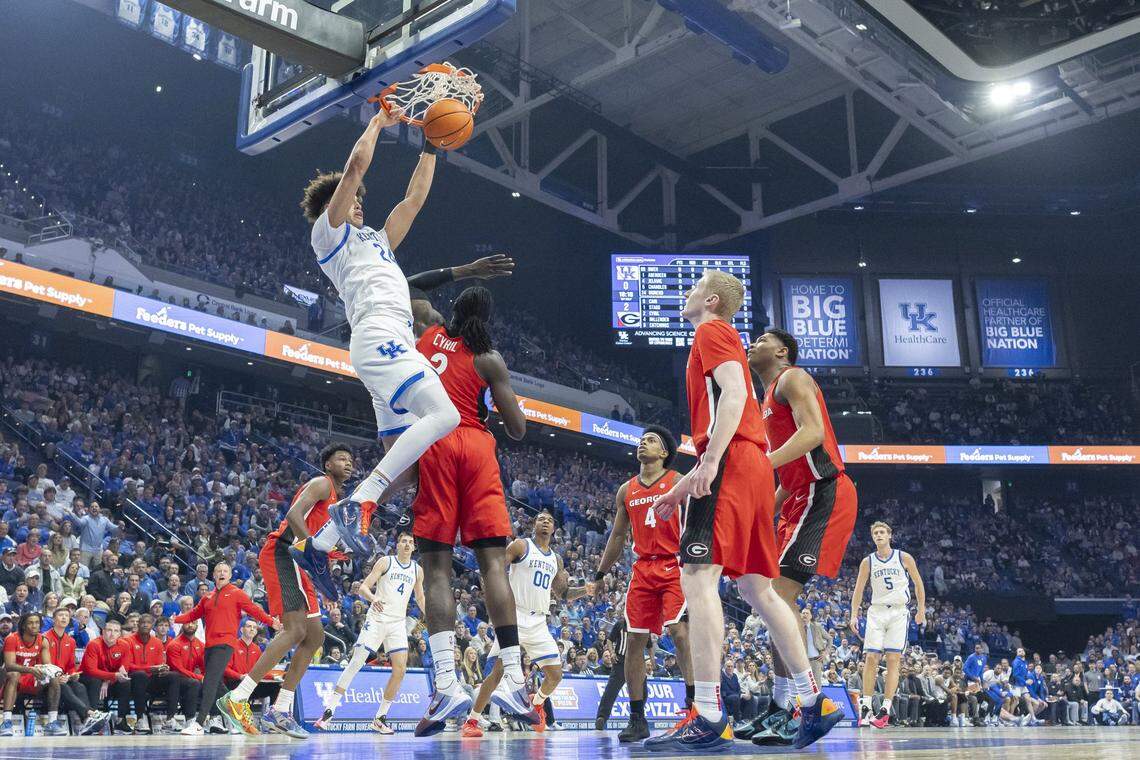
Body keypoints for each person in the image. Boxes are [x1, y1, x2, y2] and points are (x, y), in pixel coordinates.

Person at [647, 270, 841, 753]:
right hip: (752, 465)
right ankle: (814, 701)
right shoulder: (725, 337)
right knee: (758, 588)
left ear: (710, 299)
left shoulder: (711, 330)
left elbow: (733, 394)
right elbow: (730, 408)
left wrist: (710, 462)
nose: (686, 295)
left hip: (733, 458)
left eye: (693, 289)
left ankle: (710, 714)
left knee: (697, 574)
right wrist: (690, 480)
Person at [293, 103, 461, 585]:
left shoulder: (380, 241)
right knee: (444, 415)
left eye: (362, 202)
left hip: (391, 342)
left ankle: (320, 545)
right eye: (352, 201)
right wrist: (376, 124)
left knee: (405, 469)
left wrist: (432, 144)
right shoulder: (328, 235)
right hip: (378, 335)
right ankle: (362, 500)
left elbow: (413, 201)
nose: (360, 204)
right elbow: (354, 169)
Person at [395, 277, 541, 738]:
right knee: (492, 566)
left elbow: (409, 283)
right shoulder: (488, 359)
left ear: (451, 313)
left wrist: (464, 268)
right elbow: (517, 429)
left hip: (434, 439)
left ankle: (445, 685)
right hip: (475, 445)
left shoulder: (430, 333)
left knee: (436, 570)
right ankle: (515, 680)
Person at [738, 329, 858, 744]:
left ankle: (805, 704)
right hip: (797, 496)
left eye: (761, 340)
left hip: (824, 491)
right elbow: (789, 479)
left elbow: (814, 435)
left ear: (782, 351)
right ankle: (781, 706)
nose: (752, 344)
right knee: (768, 596)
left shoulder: (792, 378)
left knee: (776, 594)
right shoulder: (766, 398)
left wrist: (761, 465)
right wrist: (758, 513)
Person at [217, 443, 354, 739]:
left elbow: (318, 541)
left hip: (301, 562)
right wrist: (316, 549)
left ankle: (280, 709)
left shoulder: (337, 499)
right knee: (294, 631)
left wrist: (336, 554)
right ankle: (238, 697)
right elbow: (293, 516)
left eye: (351, 460)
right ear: (328, 464)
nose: (348, 463)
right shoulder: (321, 483)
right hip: (284, 552)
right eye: (341, 458)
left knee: (315, 635)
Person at [592, 426, 694, 742]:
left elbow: (693, 523)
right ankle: (638, 719)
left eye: (651, 440)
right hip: (642, 570)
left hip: (674, 564)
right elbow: (618, 536)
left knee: (678, 632)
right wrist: (600, 572)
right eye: (642, 439)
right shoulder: (626, 490)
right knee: (633, 642)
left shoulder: (677, 481)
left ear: (664, 453)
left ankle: (694, 707)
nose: (643, 443)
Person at [467, 512, 587, 736]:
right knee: (497, 672)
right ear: (534, 524)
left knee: (555, 675)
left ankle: (538, 703)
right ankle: (472, 721)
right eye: (541, 518)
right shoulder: (521, 545)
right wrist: (494, 600)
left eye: (550, 520)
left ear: (554, 529)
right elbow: (494, 571)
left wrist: (587, 590)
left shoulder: (556, 559)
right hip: (515, 615)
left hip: (540, 621)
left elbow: (563, 593)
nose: (545, 522)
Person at [317, 533, 425, 734]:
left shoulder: (418, 570)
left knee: (400, 670)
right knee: (356, 662)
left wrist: (430, 614)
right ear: (397, 544)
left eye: (411, 542)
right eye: (404, 541)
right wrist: (373, 598)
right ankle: (329, 711)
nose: (408, 544)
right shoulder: (386, 561)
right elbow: (363, 588)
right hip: (376, 619)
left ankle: (380, 718)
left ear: (414, 547)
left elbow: (419, 597)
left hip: (397, 623)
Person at [173, 561, 276, 735]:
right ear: (213, 575)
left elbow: (254, 610)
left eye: (225, 571)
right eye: (218, 571)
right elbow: (193, 614)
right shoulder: (206, 597)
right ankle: (239, 713)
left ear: (229, 576)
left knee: (210, 682)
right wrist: (176, 620)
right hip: (209, 646)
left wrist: (272, 622)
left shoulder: (237, 593)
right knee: (217, 684)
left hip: (226, 644)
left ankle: (198, 724)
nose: (221, 573)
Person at [849, 521, 926, 729]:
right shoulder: (868, 561)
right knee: (871, 657)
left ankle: (884, 709)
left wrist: (921, 610)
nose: (879, 535)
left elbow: (918, 584)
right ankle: (865, 708)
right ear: (873, 537)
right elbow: (858, 590)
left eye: (882, 532)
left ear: (890, 535)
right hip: (877, 611)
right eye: (875, 533)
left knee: (893, 659)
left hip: (899, 611)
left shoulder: (904, 557)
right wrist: (854, 615)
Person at [45, 606, 108, 735]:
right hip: (47, 680)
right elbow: (43, 664)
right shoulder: (44, 638)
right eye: (60, 615)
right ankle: (90, 714)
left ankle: (86, 721)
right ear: (53, 619)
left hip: (64, 678)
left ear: (69, 620)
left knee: (79, 686)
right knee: (65, 688)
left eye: (66, 616)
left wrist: (72, 674)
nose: (63, 618)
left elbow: (70, 665)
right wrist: (57, 676)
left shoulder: (71, 641)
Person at [1, 612, 66, 736]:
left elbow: (47, 665)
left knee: (53, 678)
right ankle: (7, 722)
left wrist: (48, 671)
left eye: (37, 623)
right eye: (30, 623)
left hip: (32, 678)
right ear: (24, 625)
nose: (34, 625)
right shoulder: (12, 639)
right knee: (14, 674)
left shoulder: (43, 640)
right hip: (13, 678)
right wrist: (31, 669)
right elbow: (9, 665)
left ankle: (52, 722)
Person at [165, 619, 205, 728]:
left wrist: (206, 677)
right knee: (194, 683)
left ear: (197, 625)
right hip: (174, 680)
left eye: (193, 623)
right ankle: (190, 719)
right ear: (183, 624)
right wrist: (200, 677)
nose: (191, 625)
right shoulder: (174, 644)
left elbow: (203, 666)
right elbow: (179, 669)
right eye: (188, 623)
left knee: (214, 682)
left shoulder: (201, 645)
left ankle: (215, 718)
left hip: (191, 678)